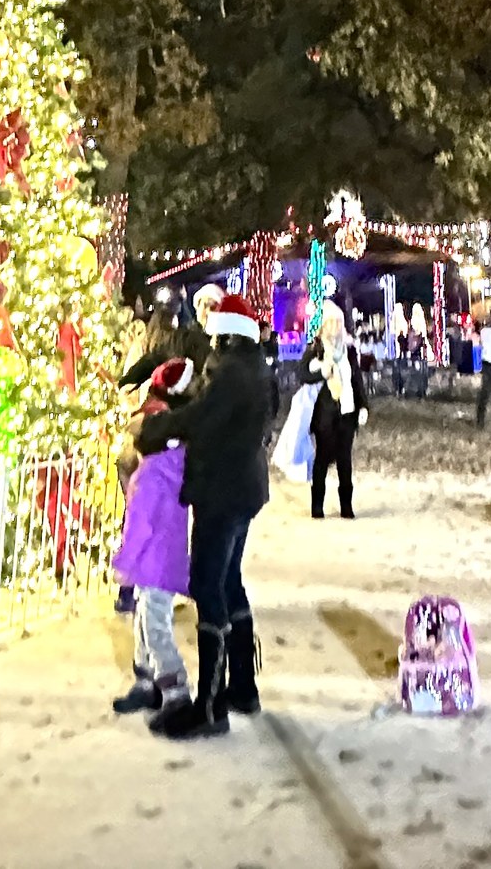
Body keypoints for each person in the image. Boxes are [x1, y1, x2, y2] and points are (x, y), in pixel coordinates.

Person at [136, 294, 278, 739]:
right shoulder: (252, 365)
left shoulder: (232, 369)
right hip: (243, 488)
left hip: (223, 490)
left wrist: (156, 428)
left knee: (208, 588)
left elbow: (204, 417)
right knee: (230, 582)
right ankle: (242, 687)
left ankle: (211, 705)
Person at [110, 358, 196, 718]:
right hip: (157, 559)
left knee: (154, 623)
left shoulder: (154, 475)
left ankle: (174, 688)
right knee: (144, 619)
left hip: (154, 560)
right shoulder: (169, 464)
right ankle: (146, 681)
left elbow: (140, 525)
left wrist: (124, 562)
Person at [303, 300, 368, 519]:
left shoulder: (348, 351)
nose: (334, 328)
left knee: (344, 461)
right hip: (324, 415)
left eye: (337, 323)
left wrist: (363, 406)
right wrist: (322, 371)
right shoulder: (316, 348)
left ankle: (346, 506)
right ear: (322, 325)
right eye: (330, 323)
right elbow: (302, 374)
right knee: (321, 460)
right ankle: (317, 506)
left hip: (347, 412)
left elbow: (356, 380)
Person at [121, 283, 223, 392]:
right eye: (204, 305)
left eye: (213, 306)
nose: (208, 311)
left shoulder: (229, 341)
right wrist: (127, 382)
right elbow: (155, 357)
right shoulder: (184, 338)